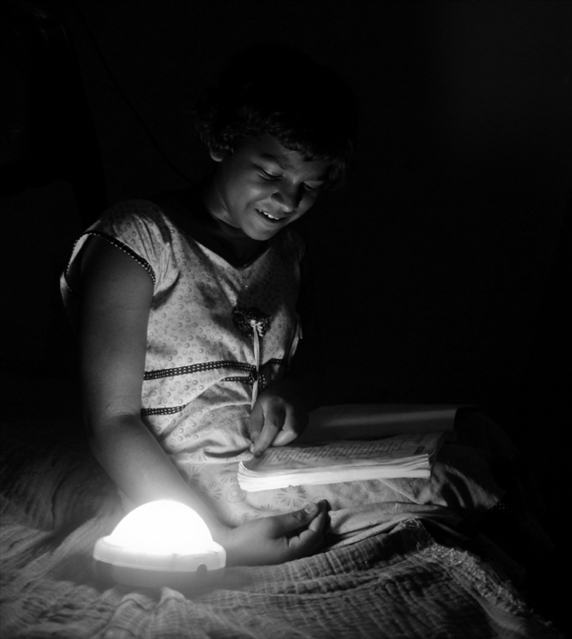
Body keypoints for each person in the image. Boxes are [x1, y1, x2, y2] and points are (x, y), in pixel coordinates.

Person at [61, 45, 358, 566]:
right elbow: (110, 422)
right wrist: (213, 541)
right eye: (269, 174)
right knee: (449, 485)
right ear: (223, 143)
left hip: (268, 466)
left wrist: (284, 396)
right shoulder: (138, 241)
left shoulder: (288, 254)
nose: (288, 201)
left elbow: (313, 372)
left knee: (468, 449)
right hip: (180, 488)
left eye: (308, 187)